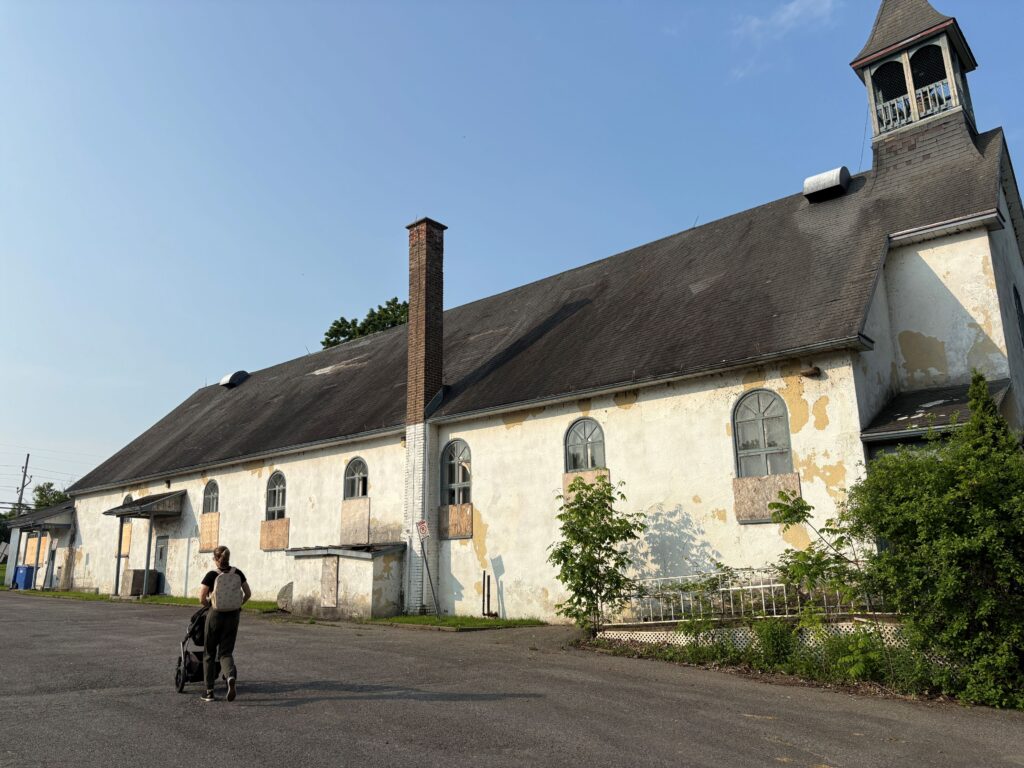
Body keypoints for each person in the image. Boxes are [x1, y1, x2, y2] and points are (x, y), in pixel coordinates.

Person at [198, 545, 251, 702]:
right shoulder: (238, 573)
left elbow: (201, 597)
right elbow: (248, 593)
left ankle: (209, 692)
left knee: (209, 653)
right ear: (228, 559)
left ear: (215, 559)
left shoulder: (212, 575)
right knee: (226, 652)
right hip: (233, 616)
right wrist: (238, 605)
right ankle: (230, 676)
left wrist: (209, 605)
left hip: (215, 615)